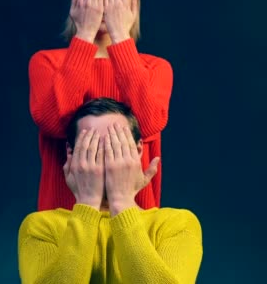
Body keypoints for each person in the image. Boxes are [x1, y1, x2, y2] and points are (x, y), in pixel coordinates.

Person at [29, 0, 173, 211]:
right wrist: (84, 34)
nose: (104, 3)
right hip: (64, 218)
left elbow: (149, 123)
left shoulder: (155, 68)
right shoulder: (47, 62)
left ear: (133, 4)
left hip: (134, 218)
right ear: (76, 2)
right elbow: (54, 123)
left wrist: (121, 36)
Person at [18, 98, 203, 283]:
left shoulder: (177, 224)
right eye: (91, 149)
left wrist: (122, 203)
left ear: (138, 151)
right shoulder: (40, 227)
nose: (106, 162)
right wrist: (88, 203)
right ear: (71, 153)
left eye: (117, 148)